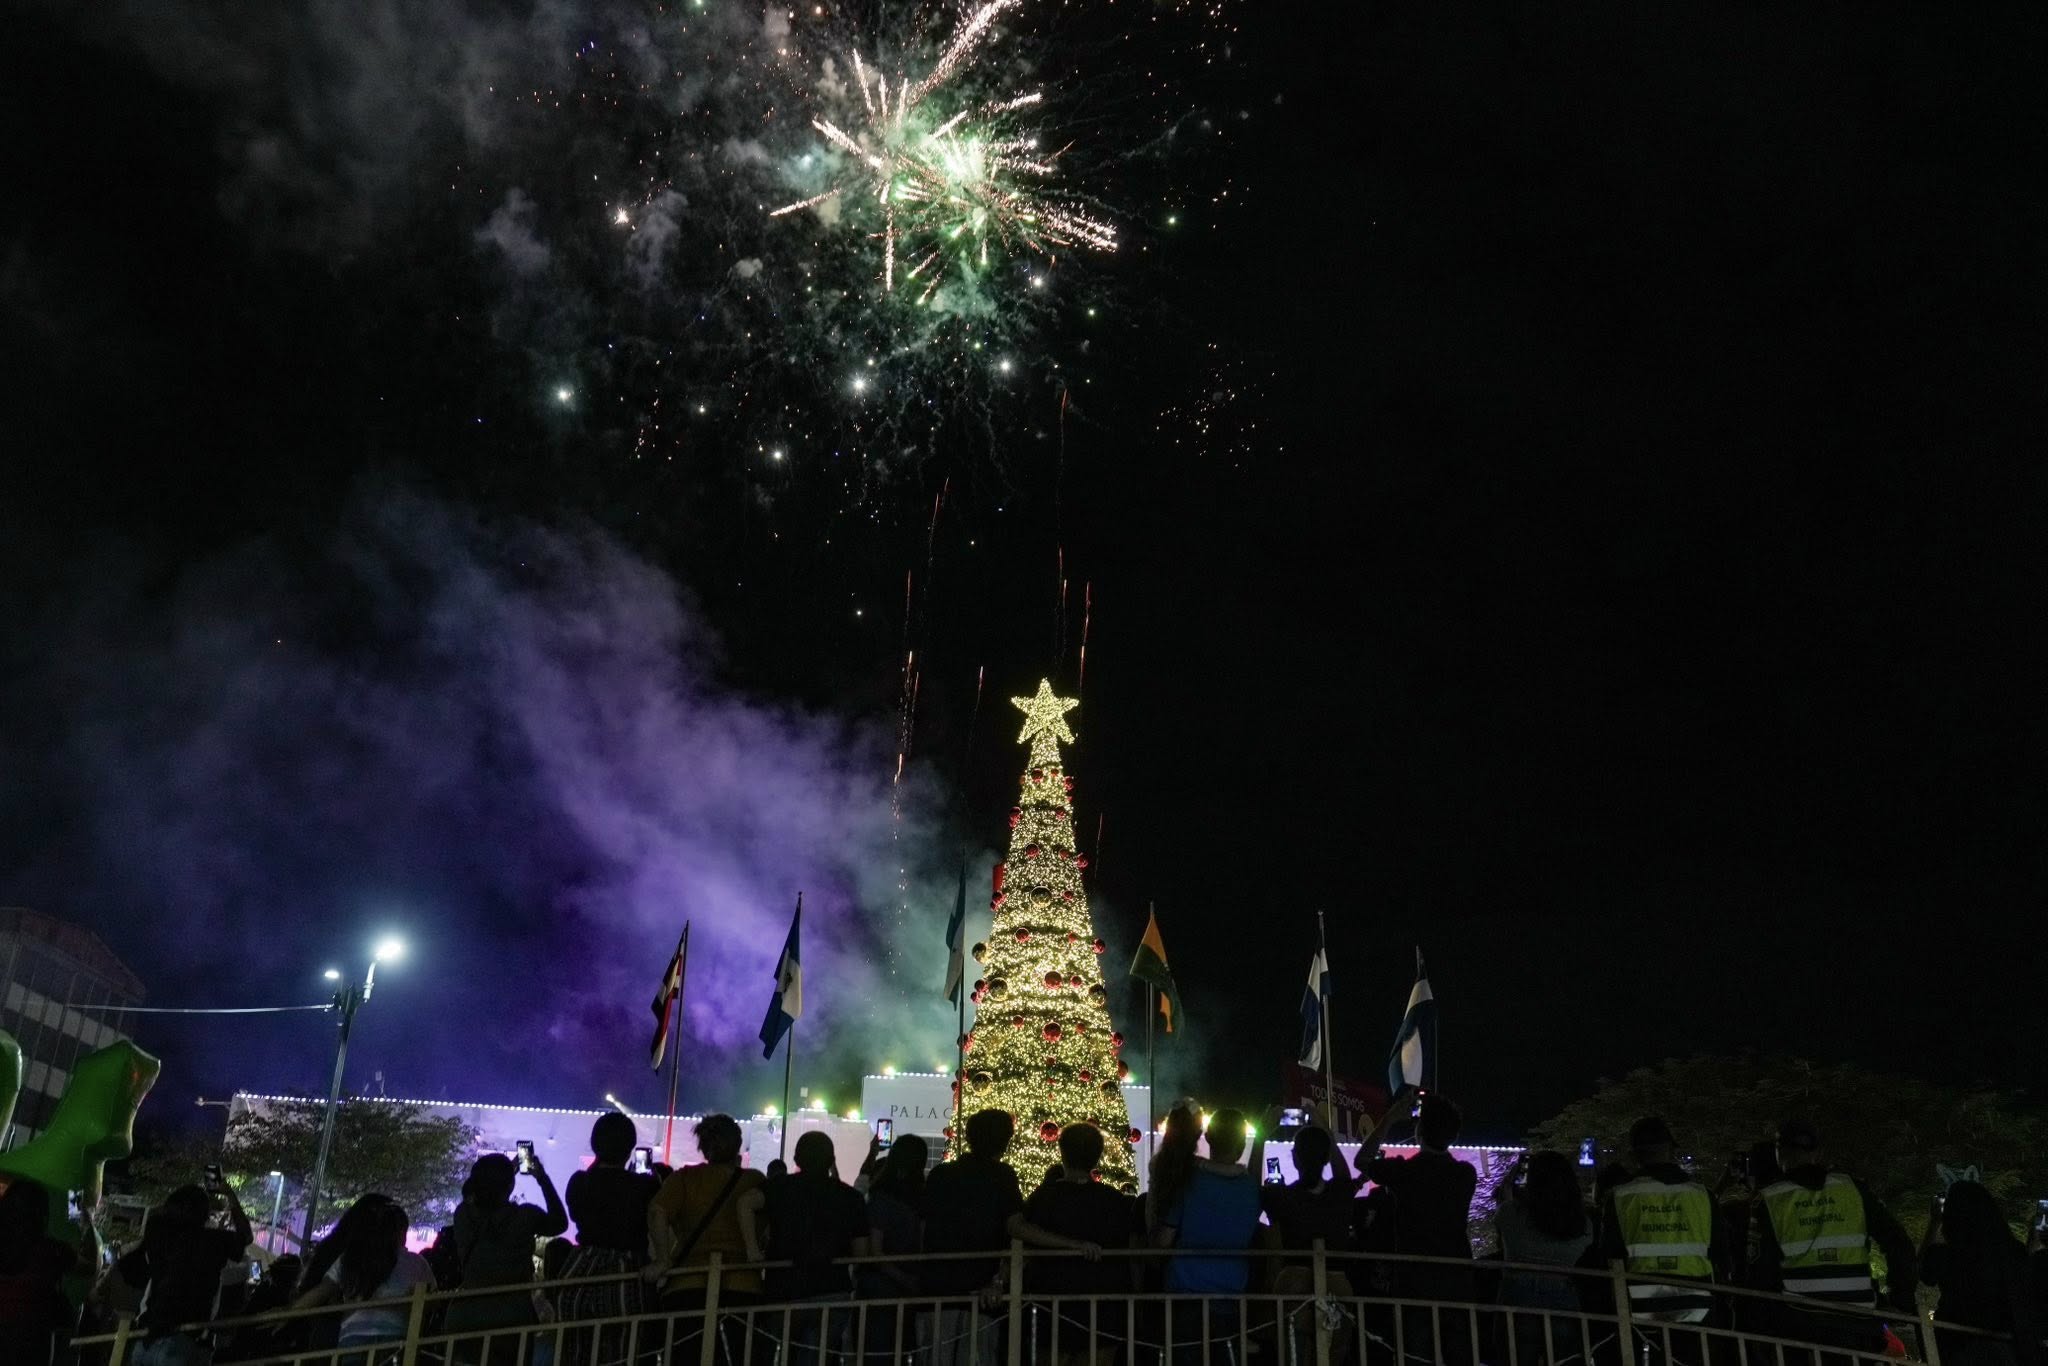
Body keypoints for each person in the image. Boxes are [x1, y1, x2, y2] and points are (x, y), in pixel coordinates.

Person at [1746, 1120, 1917, 1358]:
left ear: (1779, 1152)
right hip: (1859, 1324)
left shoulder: (1769, 1199)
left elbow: (1760, 1271)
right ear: (1818, 1152)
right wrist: (1901, 1300)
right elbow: (1899, 1244)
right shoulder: (1853, 1190)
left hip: (1799, 1325)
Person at [1363, 1094, 1478, 1366]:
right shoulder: (1465, 1174)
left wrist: (1389, 1119)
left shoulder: (1405, 1172)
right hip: (1457, 1281)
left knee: (1415, 1355)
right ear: (1455, 1134)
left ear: (1418, 1132)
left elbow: (1363, 1159)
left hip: (1414, 1281)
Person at [645, 1115, 766, 1366]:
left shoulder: (684, 1178)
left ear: (703, 1146)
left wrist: (664, 1259)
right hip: (742, 1285)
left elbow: (658, 1211)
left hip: (688, 1285)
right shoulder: (753, 1180)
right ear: (738, 1144)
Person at [1153, 1108, 1263, 1360]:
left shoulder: (1188, 1181)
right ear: (1240, 1144)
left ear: (1209, 1137)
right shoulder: (1249, 1188)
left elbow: (1164, 1240)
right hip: (1230, 1293)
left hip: (1185, 1291)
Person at [1022, 1123, 1137, 1364]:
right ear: (1098, 1156)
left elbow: (1023, 1233)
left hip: (1051, 1306)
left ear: (1062, 1152)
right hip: (1102, 1310)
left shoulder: (1044, 1197)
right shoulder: (1114, 1201)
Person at [441, 1151, 568, 1362]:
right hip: (512, 1315)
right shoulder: (526, 1216)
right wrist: (542, 1179)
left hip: (466, 1314)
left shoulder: (464, 1214)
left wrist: (496, 1177)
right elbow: (559, 1223)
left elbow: (472, 1194)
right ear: (510, 1186)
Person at [1599, 1117, 1726, 1325]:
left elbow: (1610, 1254)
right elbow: (1721, 1252)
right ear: (1670, 1150)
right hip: (1698, 1304)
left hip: (1639, 1305)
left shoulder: (1620, 1197)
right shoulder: (1702, 1195)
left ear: (1635, 1155)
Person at [555, 1113, 660, 1364]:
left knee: (576, 1348)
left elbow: (575, 1212)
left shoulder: (580, 1182)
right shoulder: (644, 1186)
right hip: (625, 1274)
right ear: (630, 1147)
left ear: (595, 1144)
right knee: (624, 1349)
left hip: (580, 1270)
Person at [117, 1178, 254, 1366]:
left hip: (145, 1343)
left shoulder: (159, 1237)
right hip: (181, 1344)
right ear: (204, 1213)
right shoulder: (212, 1241)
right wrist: (230, 1195)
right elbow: (246, 1236)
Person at [764, 1131, 871, 1366]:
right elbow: (862, 1252)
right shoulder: (850, 1197)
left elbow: (751, 1207)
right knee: (819, 1355)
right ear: (831, 1159)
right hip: (832, 1289)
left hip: (785, 1287)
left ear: (796, 1158)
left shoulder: (778, 1189)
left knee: (784, 1353)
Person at [1265, 1123, 1362, 1366]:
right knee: (1334, 1356)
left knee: (1293, 1356)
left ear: (1295, 1159)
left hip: (1293, 1285)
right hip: (1337, 1286)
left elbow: (1253, 1182)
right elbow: (1344, 1176)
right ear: (1327, 1157)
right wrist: (1327, 1130)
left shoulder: (1283, 1197)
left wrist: (1260, 1139)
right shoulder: (1340, 1194)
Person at [1918, 1181, 2044, 1366]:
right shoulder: (2010, 1252)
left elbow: (1923, 1273)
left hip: (1956, 1342)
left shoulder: (1948, 1254)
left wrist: (1935, 1222)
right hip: (2004, 1342)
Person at [292, 1198, 434, 1360]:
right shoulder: (416, 1262)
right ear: (401, 1231)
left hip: (353, 1337)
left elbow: (322, 1291)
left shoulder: (351, 1258)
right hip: (395, 1340)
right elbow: (432, 1298)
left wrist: (291, 1312)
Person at [1494, 1151, 1596, 1361]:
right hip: (1564, 1295)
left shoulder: (1511, 1213)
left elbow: (1503, 1230)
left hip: (1518, 1294)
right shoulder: (1582, 1223)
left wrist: (1508, 1187)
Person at [857, 1135, 928, 1366]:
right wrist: (909, 1280)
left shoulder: (880, 1198)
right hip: (904, 1287)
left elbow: (874, 1251)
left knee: (878, 1353)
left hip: (879, 1287)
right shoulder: (920, 1200)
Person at [0, 1177, 86, 1366]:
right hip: (31, 1336)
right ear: (41, 1214)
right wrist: (83, 1222)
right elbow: (88, 1267)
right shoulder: (51, 1250)